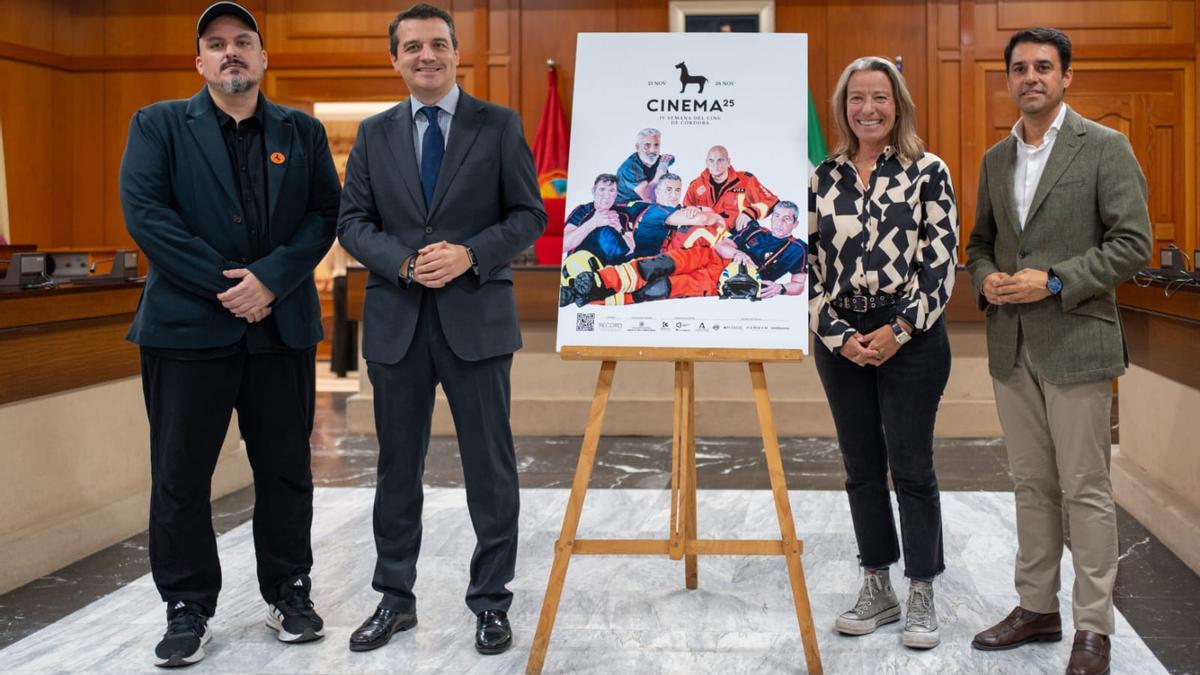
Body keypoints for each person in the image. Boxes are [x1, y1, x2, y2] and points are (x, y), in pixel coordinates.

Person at [118, 1, 340, 667]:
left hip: (282, 330)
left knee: (285, 470)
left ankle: (289, 590)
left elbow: (323, 212)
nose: (231, 52)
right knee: (180, 476)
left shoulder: (301, 132)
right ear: (200, 62)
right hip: (185, 333)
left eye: (244, 41)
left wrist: (269, 280)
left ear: (264, 57)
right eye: (216, 44)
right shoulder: (158, 125)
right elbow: (147, 215)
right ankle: (187, 605)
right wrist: (231, 286)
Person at [336, 3, 545, 657]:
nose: (426, 56)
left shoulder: (499, 125)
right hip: (399, 325)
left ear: (456, 54)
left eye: (438, 45)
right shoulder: (373, 134)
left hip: (476, 319)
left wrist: (471, 254)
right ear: (393, 58)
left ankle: (491, 602)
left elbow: (528, 214)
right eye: (412, 47)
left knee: (491, 467)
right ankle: (394, 598)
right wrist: (401, 263)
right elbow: (352, 223)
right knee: (397, 467)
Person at [966, 28, 1151, 675]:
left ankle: (1093, 627)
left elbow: (1133, 244)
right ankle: (1037, 607)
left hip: (1076, 340)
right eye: (1020, 68)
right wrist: (984, 276)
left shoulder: (1105, 147)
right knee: (1030, 486)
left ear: (1066, 76)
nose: (1031, 77)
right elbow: (980, 241)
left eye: (1044, 66)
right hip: (1011, 347)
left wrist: (1053, 278)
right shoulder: (996, 159)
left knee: (1086, 489)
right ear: (1009, 79)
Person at [808, 56, 958, 650]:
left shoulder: (928, 171)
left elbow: (941, 266)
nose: (868, 109)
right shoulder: (822, 177)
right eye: (856, 99)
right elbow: (806, 272)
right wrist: (839, 334)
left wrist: (898, 330)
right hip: (842, 337)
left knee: (912, 468)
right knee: (860, 469)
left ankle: (921, 588)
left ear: (898, 105)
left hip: (913, 337)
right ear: (843, 108)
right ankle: (878, 585)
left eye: (879, 98)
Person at [561, 200, 807, 307]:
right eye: (777, 217)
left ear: (795, 223)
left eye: (787, 219)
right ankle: (596, 281)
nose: (780, 223)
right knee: (654, 266)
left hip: (723, 281)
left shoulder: (798, 249)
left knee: (658, 289)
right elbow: (723, 245)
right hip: (711, 256)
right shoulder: (754, 229)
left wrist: (782, 288)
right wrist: (737, 254)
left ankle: (588, 296)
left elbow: (798, 285)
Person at [683, 145, 778, 231]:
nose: (715, 165)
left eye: (720, 160)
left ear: (728, 162)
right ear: (706, 162)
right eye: (711, 160)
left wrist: (750, 213)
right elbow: (684, 212)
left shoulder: (746, 180)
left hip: (738, 234)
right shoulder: (696, 185)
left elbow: (772, 201)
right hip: (707, 237)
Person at [562, 173, 633, 265]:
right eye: (602, 189)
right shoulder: (582, 211)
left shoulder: (622, 215)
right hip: (580, 268)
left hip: (610, 272)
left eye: (611, 190)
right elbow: (563, 245)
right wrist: (594, 222)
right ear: (593, 191)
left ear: (616, 194)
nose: (606, 196)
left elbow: (632, 249)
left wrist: (619, 228)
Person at [615, 128, 674, 204]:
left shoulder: (659, 161)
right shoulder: (630, 168)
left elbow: (665, 189)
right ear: (637, 147)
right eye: (647, 145)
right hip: (627, 208)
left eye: (656, 145)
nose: (652, 150)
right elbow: (650, 198)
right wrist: (661, 170)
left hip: (648, 205)